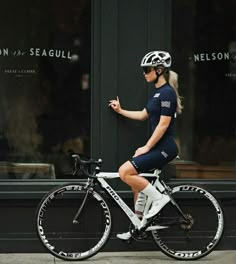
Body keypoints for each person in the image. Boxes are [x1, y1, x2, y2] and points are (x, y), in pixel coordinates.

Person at [109, 51, 183, 240]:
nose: (144, 73)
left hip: (165, 148)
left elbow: (163, 124)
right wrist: (121, 110)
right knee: (137, 183)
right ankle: (138, 225)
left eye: (146, 69)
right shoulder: (157, 93)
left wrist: (147, 147)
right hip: (159, 147)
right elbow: (143, 115)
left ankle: (159, 199)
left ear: (159, 70)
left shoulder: (167, 93)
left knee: (125, 172)